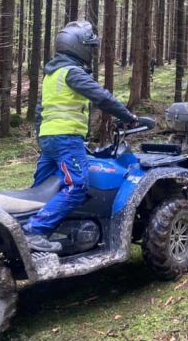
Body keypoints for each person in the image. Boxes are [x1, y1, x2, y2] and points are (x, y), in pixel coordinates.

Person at [24, 20, 140, 252]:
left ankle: (41, 227)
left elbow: (40, 111)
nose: (92, 53)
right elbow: (102, 97)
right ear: (78, 47)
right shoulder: (72, 73)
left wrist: (42, 136)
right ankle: (35, 231)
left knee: (43, 188)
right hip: (66, 138)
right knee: (77, 186)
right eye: (90, 47)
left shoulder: (52, 73)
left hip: (49, 138)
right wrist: (128, 117)